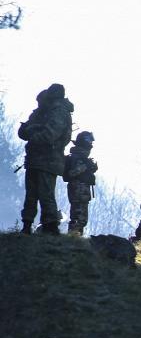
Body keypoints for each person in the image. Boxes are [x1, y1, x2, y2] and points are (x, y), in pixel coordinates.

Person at [18, 84, 74, 235]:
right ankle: (27, 225)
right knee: (31, 195)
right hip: (35, 159)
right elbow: (24, 131)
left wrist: (33, 133)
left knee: (45, 194)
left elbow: (50, 135)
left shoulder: (59, 112)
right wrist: (30, 130)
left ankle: (50, 227)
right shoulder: (44, 111)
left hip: (49, 160)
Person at [64, 131, 98, 236]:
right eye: (89, 142)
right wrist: (86, 166)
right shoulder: (76, 157)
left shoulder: (80, 157)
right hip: (78, 191)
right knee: (79, 219)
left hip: (81, 192)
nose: (91, 145)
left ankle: (75, 238)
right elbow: (72, 173)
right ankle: (73, 239)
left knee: (80, 219)